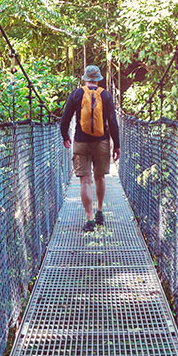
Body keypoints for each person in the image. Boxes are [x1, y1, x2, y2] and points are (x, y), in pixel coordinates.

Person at [60, 65, 121, 232]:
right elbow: (113, 123)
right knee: (100, 177)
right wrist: (117, 145)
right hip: (101, 142)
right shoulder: (106, 95)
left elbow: (65, 119)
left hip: (80, 141)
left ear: (85, 79)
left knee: (85, 180)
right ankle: (100, 211)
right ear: (98, 79)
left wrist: (65, 136)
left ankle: (89, 219)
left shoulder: (76, 94)